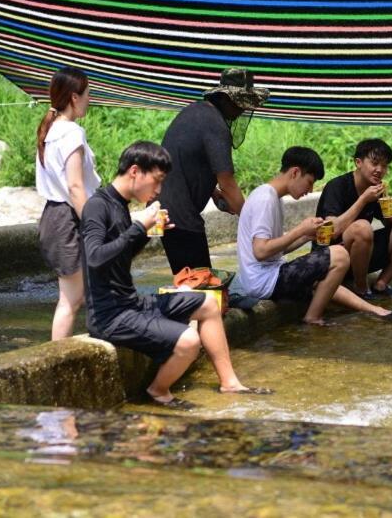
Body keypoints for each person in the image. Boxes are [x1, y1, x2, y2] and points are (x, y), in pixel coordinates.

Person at [82, 141, 270, 409]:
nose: (158, 190)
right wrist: (138, 228)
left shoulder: (120, 205)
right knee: (189, 341)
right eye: (157, 181)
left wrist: (146, 234)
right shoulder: (97, 207)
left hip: (131, 302)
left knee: (208, 302)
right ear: (135, 171)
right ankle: (158, 391)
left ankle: (230, 383)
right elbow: (95, 258)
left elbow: (119, 256)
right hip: (110, 315)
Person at [236, 146, 392, 325]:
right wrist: (300, 230)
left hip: (268, 274)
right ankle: (312, 317)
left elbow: (275, 250)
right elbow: (261, 251)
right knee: (340, 255)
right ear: (295, 172)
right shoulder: (265, 198)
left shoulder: (273, 197)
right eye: (309, 182)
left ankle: (373, 309)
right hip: (262, 282)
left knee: (325, 275)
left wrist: (306, 237)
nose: (310, 190)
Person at [159, 67, 270, 274]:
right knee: (200, 285)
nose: (242, 110)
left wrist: (212, 192)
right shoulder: (216, 125)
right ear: (226, 99)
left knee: (191, 279)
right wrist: (251, 222)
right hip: (180, 216)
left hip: (165, 210)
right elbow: (227, 182)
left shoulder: (196, 112)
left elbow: (190, 158)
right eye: (240, 103)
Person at [35, 66, 100, 340]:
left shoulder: (51, 131)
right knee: (71, 300)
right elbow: (75, 186)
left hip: (53, 216)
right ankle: (57, 361)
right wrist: (94, 223)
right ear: (74, 97)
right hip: (67, 219)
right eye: (87, 94)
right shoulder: (71, 132)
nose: (89, 99)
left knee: (76, 296)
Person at [315, 138, 392, 299]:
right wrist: (363, 200)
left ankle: (381, 284)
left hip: (362, 255)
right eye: (374, 163)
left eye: (385, 165)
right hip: (332, 258)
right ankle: (361, 288)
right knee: (362, 227)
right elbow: (332, 230)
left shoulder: (377, 189)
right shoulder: (337, 186)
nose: (379, 169)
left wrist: (391, 210)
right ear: (358, 162)